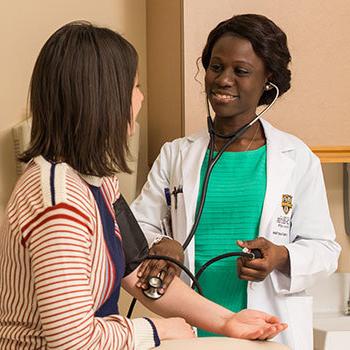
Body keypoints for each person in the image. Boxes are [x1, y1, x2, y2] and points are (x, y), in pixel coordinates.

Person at [0, 21, 287, 350]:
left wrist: (226, 321)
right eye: (134, 87)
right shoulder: (58, 198)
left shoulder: (98, 181)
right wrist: (157, 330)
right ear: (105, 99)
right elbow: (71, 340)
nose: (141, 98)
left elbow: (138, 270)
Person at [131, 14, 341, 350]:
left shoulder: (297, 158)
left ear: (267, 80)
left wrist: (281, 256)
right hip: (191, 329)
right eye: (216, 67)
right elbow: (134, 227)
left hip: (265, 329)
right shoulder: (175, 155)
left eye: (240, 71)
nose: (223, 80)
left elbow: (326, 249)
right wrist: (165, 242)